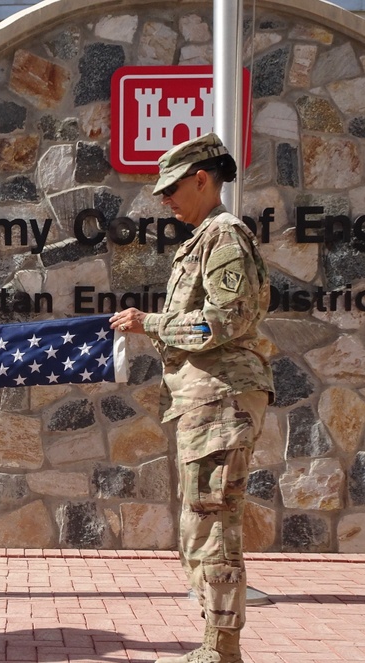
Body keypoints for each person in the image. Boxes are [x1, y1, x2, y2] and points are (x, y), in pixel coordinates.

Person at [110, 133, 274, 663]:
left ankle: (221, 650)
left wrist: (150, 322)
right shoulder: (203, 238)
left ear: (202, 179)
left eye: (172, 188)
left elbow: (227, 318)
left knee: (213, 520)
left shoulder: (223, 235)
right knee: (200, 520)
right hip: (205, 400)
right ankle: (215, 643)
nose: (165, 199)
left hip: (222, 398)